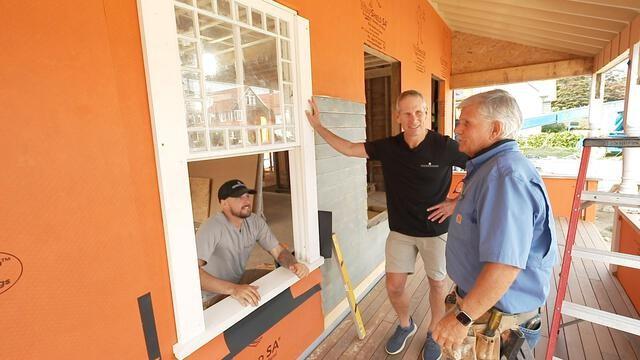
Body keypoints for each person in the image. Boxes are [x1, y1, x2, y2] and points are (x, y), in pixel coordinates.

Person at [306, 90, 467, 359]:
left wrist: (456, 202)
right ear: (397, 116)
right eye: (407, 112)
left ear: (426, 114)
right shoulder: (389, 147)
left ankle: (434, 333)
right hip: (401, 231)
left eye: (419, 112)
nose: (413, 118)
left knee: (437, 286)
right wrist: (318, 126)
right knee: (393, 286)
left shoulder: (445, 146)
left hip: (435, 230)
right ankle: (406, 325)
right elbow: (347, 148)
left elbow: (479, 168)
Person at [432, 89, 558, 356]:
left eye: (466, 122)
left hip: (495, 324)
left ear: (495, 129)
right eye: (459, 121)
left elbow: (504, 266)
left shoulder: (504, 176)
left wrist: (461, 318)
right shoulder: (489, 168)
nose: (457, 129)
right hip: (483, 310)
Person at [196, 179, 309, 308]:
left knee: (279, 282)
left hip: (238, 280)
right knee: (250, 307)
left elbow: (278, 251)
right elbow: (193, 274)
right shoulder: (211, 227)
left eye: (247, 196)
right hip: (212, 293)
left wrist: (294, 264)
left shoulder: (255, 221)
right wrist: (233, 289)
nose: (247, 201)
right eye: (239, 197)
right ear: (224, 203)